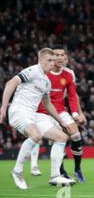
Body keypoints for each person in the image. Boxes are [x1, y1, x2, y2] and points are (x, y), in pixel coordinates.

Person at [0, 48, 75, 189]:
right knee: (36, 135)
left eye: (53, 61)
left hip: (33, 114)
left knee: (62, 137)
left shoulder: (46, 81)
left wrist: (61, 121)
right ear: (40, 60)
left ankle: (55, 176)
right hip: (19, 110)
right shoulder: (33, 71)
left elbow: (48, 104)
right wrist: (3, 107)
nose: (52, 63)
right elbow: (11, 83)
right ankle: (17, 171)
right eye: (49, 60)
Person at [31, 45, 86, 183]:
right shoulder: (41, 72)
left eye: (62, 55)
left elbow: (73, 96)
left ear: (66, 58)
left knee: (76, 135)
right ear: (50, 57)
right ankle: (60, 172)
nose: (59, 58)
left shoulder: (69, 74)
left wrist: (77, 113)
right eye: (56, 55)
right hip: (44, 113)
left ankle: (77, 169)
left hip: (61, 111)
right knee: (58, 140)